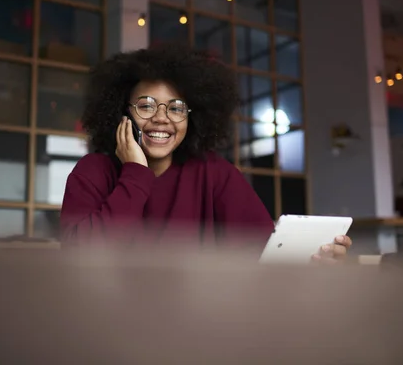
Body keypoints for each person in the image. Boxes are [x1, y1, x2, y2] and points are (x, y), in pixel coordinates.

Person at [60, 44, 351, 262]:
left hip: (201, 325)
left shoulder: (213, 172)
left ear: (192, 118)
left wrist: (315, 260)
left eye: (176, 108)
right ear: (122, 114)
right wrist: (136, 174)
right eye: (146, 106)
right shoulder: (93, 172)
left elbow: (262, 253)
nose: (162, 118)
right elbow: (81, 258)